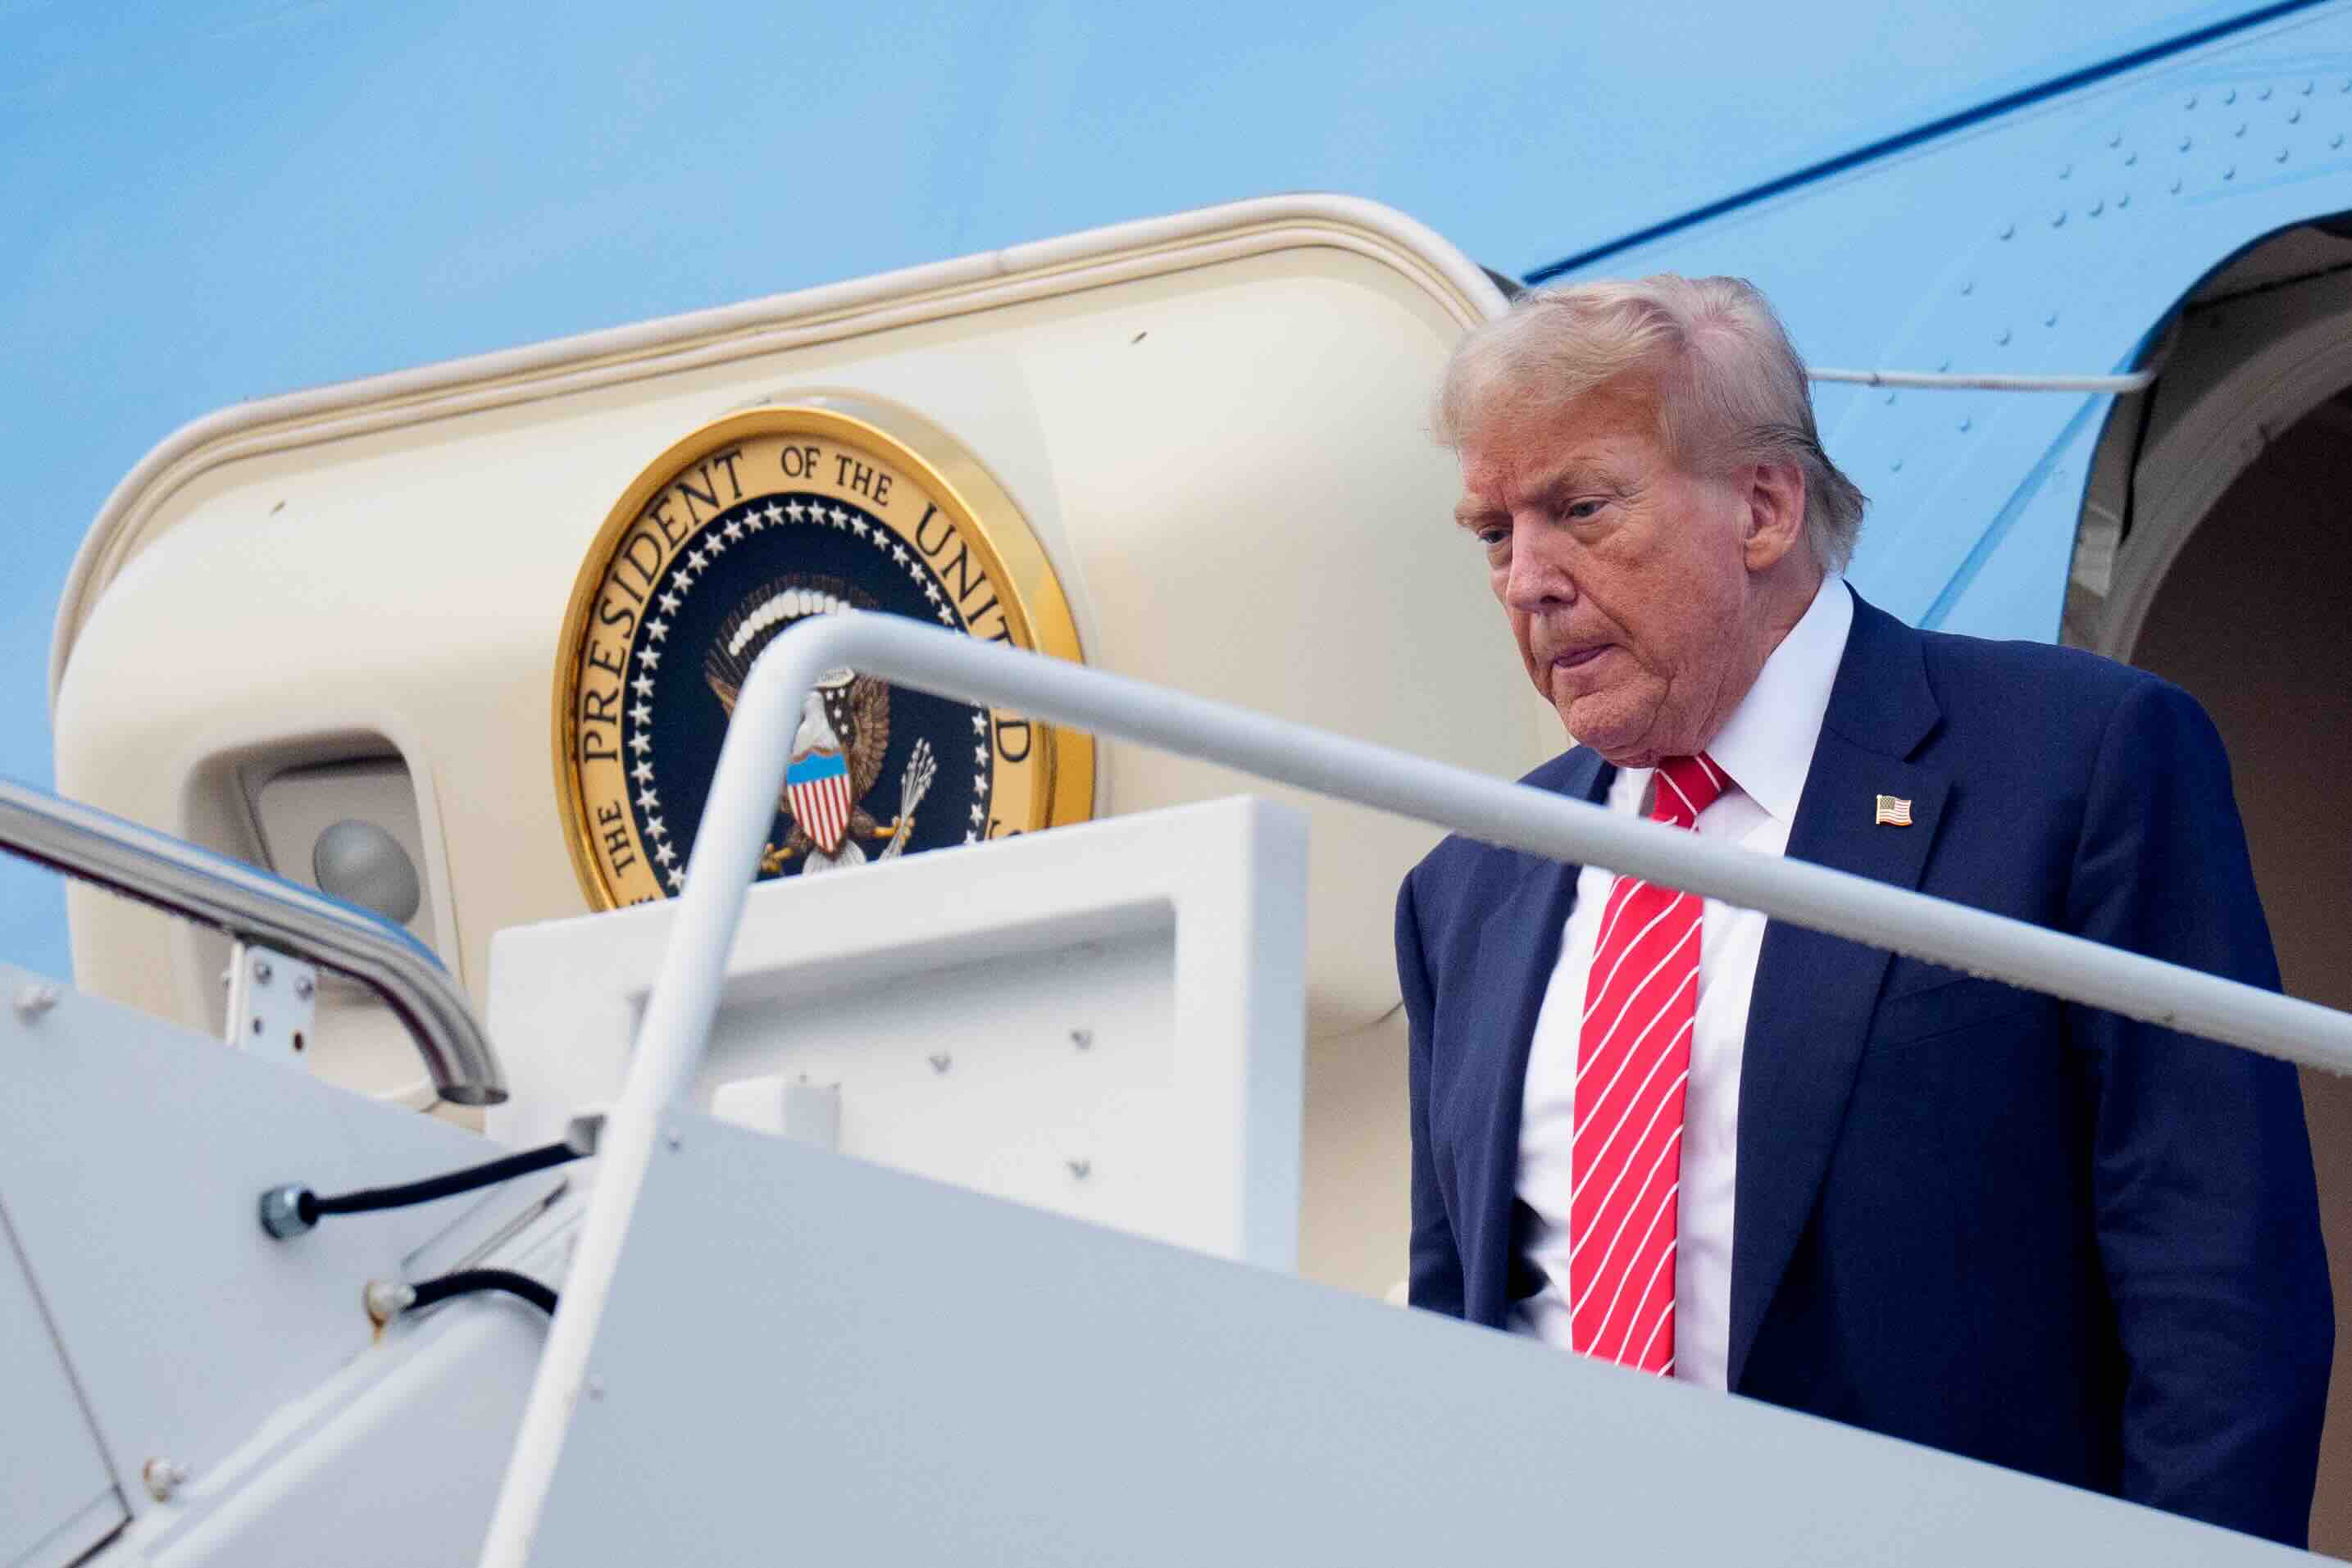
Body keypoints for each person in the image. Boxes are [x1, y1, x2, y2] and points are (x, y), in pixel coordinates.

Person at [1395, 274, 2332, 1547]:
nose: (1526, 581)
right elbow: (1452, 1339)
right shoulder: (1470, 887)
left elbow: (2219, 1287)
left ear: (1765, 508)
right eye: (1493, 532)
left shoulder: (2075, 763)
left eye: (1578, 508)